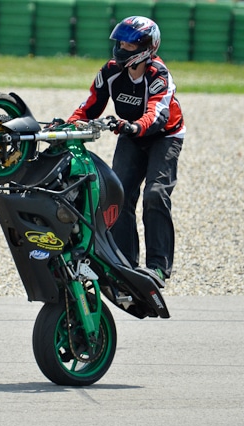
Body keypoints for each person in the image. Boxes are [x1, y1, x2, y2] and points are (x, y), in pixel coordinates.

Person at [67, 16, 185, 283]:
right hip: (131, 134)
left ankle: (157, 268)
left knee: (155, 194)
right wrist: (69, 124)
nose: (121, 49)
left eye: (129, 45)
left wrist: (132, 127)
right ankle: (125, 264)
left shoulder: (159, 75)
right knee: (118, 195)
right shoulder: (110, 72)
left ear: (147, 47)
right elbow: (90, 106)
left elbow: (157, 115)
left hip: (165, 137)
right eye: (120, 42)